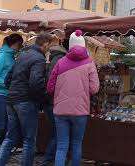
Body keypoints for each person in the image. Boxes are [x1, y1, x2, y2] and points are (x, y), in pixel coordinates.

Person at [0, 33, 53, 166]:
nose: (48, 49)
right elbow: (35, 83)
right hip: (26, 101)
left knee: (10, 138)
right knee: (29, 140)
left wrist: (14, 91)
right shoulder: (39, 59)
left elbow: (7, 79)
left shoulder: (22, 55)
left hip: (11, 99)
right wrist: (42, 99)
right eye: (49, 46)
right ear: (45, 44)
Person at [47, 30, 100, 166]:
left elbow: (50, 87)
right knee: (76, 145)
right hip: (80, 111)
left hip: (61, 110)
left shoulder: (60, 62)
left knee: (62, 146)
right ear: (83, 46)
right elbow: (94, 89)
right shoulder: (90, 63)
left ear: (70, 46)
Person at [0, 34, 24, 165]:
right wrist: (8, 84)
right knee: (1, 126)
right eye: (20, 44)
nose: (20, 47)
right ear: (15, 43)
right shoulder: (4, 56)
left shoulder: (11, 56)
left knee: (5, 126)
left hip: (5, 96)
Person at [42, 36, 67, 166]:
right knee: (58, 133)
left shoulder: (53, 59)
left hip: (49, 101)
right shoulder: (60, 60)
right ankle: (48, 160)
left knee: (55, 132)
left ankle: (50, 159)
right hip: (52, 102)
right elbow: (52, 83)